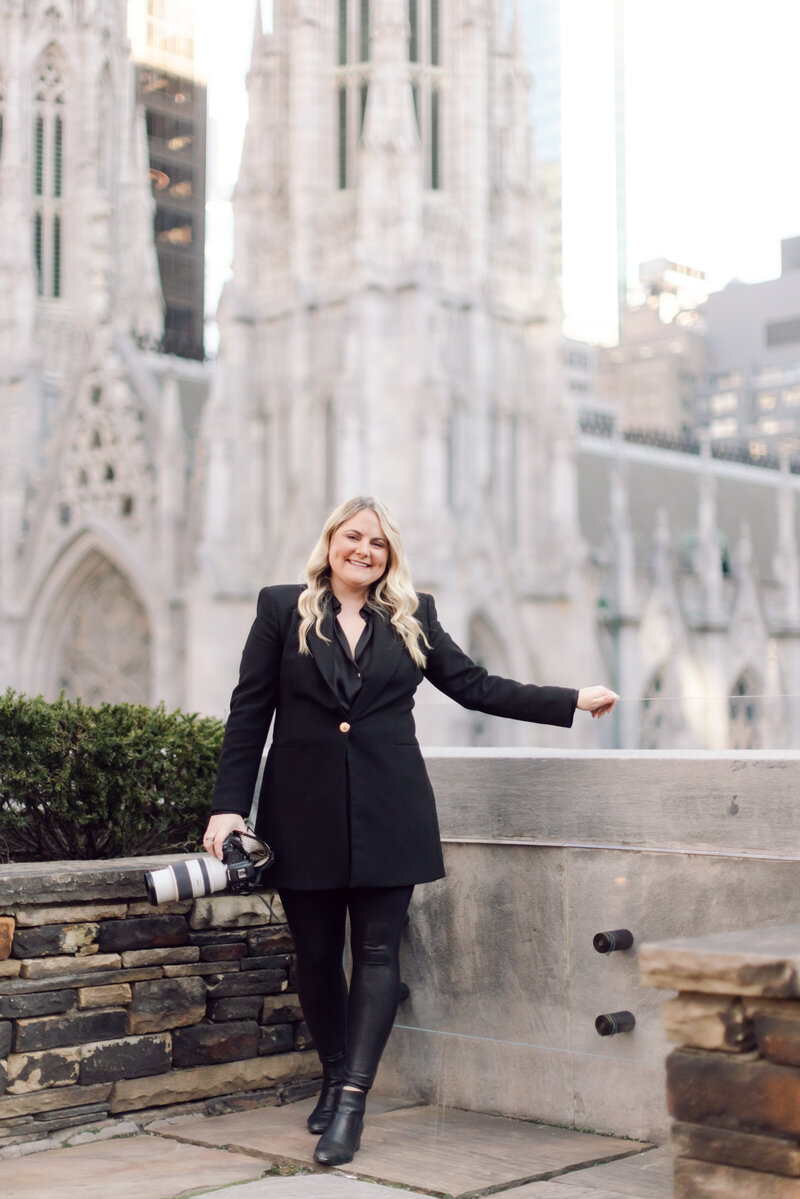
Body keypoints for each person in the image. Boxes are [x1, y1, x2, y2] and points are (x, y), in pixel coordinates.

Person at [202, 496, 618, 1167]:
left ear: (389, 556)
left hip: (389, 808)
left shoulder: (411, 614)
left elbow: (475, 686)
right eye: (353, 537)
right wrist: (229, 807)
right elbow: (249, 711)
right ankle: (335, 1073)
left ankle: (352, 1102)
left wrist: (570, 698)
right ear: (331, 541)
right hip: (300, 810)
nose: (364, 550)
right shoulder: (281, 608)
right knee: (314, 957)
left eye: (378, 544)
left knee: (374, 952)